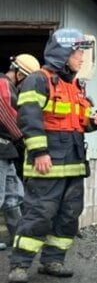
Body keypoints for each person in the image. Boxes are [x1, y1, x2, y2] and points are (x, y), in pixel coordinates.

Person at [8, 29, 97, 283]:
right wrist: (40, 152)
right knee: (39, 214)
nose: (82, 58)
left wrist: (95, 121)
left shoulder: (75, 85)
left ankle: (53, 260)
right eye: (78, 52)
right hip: (47, 164)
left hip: (73, 165)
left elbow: (80, 122)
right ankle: (19, 264)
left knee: (68, 216)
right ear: (63, 52)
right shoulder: (39, 80)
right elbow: (29, 118)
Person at [0, 54, 41, 250]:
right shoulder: (2, 85)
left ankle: (19, 239)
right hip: (2, 148)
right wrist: (26, 136)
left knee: (13, 196)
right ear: (19, 74)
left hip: (6, 151)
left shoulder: (11, 88)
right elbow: (8, 115)